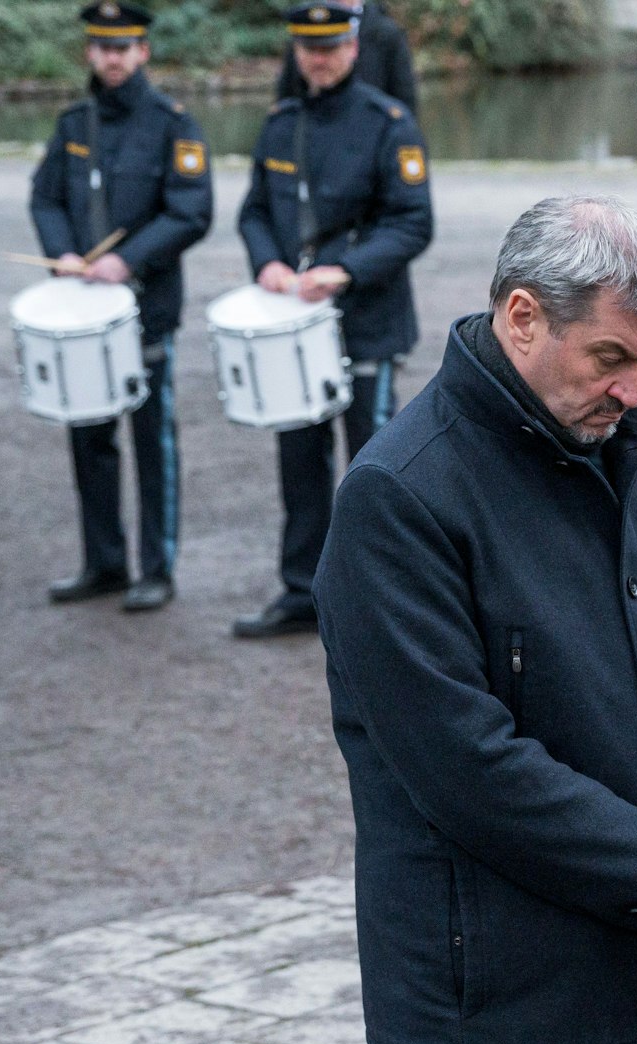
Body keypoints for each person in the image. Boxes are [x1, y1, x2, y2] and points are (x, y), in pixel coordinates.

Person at [314, 195, 637, 1044]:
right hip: (497, 1026)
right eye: (610, 358)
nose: (634, 393)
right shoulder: (398, 498)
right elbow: (468, 767)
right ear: (522, 316)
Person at [233, 0, 433, 639]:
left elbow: (412, 222)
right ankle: (302, 593)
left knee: (374, 471)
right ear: (297, 52)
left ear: (352, 46)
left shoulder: (388, 124)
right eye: (308, 48)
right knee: (299, 464)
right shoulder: (281, 124)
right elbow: (255, 212)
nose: (319, 59)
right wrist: (266, 262)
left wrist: (345, 271)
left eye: (331, 47)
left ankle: (379, 604)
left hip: (365, 322)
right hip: (295, 325)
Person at [30, 1, 212, 613]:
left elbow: (191, 211)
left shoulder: (172, 123)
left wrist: (125, 259)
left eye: (123, 45)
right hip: (82, 311)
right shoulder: (74, 123)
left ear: (142, 51)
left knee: (152, 440)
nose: (112, 56)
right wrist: (61, 252)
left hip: (145, 309)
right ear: (90, 50)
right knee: (89, 438)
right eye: (102, 45)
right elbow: (46, 198)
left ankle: (156, 569)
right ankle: (104, 562)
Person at [275, 1, 417, 111]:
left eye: (329, 49)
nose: (319, 58)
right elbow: (286, 94)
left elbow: (404, 98)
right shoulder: (306, 27)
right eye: (312, 49)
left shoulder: (386, 33)